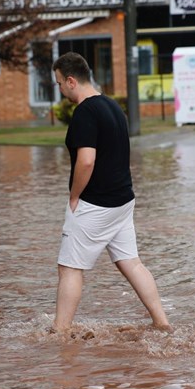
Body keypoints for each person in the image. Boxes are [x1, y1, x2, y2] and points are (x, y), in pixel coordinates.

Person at [51, 52, 172, 334]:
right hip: (123, 201)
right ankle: (162, 323)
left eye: (58, 84)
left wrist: (74, 196)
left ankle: (60, 333)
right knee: (131, 262)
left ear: (71, 81)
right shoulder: (113, 106)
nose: (59, 90)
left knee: (69, 268)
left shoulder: (84, 112)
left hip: (96, 204)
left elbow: (87, 160)